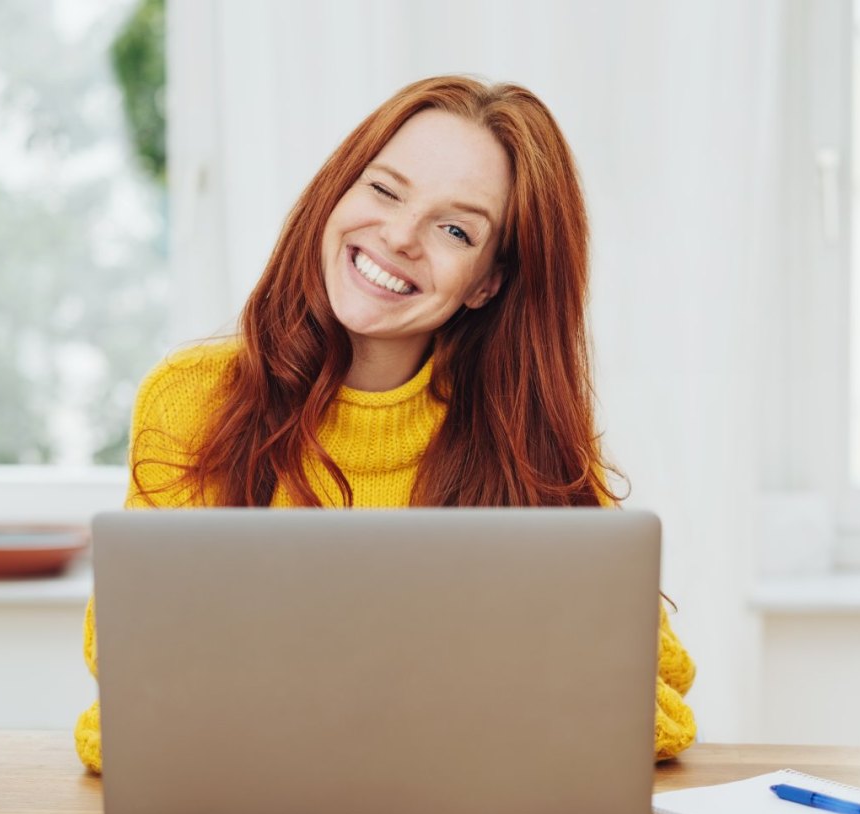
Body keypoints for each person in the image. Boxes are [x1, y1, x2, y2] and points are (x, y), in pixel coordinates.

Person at [75, 75, 696, 773]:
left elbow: (656, 706)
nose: (399, 236)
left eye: (455, 229)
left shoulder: (523, 443)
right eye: (384, 189)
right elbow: (131, 689)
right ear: (338, 192)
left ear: (488, 282)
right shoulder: (194, 400)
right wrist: (463, 688)